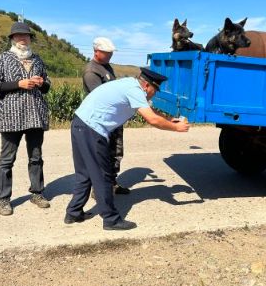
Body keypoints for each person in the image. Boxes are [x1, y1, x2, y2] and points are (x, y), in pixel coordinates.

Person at [65, 67, 190, 230]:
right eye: (155, 89)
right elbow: (152, 119)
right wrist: (177, 128)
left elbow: (150, 111)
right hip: (92, 129)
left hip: (80, 124)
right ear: (146, 86)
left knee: (85, 173)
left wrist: (170, 119)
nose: (155, 93)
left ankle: (73, 212)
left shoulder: (130, 85)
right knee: (103, 175)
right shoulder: (135, 90)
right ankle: (110, 219)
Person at [0, 22, 52, 216]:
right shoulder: (3, 58)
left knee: (36, 157)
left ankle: (37, 193)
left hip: (35, 115)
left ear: (30, 39)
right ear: (13, 39)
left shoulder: (37, 60)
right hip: (10, 116)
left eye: (26, 36)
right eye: (18, 36)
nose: (23, 38)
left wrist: (41, 83)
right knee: (7, 159)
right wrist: (19, 83)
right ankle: (3, 199)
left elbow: (47, 85)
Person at [82, 37, 129, 195]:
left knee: (115, 152)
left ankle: (112, 183)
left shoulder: (106, 66)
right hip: (101, 120)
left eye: (111, 53)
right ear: (96, 52)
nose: (110, 55)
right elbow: (101, 97)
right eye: (107, 53)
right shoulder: (91, 71)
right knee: (101, 154)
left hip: (113, 119)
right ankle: (99, 188)